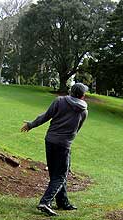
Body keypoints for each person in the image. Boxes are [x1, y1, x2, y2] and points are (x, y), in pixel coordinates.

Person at [21, 83, 88, 216]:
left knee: (55, 174)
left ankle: (62, 202)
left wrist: (31, 125)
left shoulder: (59, 101)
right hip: (64, 144)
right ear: (82, 95)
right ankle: (45, 202)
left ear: (71, 92)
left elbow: (46, 116)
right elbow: (76, 130)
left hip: (50, 141)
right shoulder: (84, 111)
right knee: (61, 175)